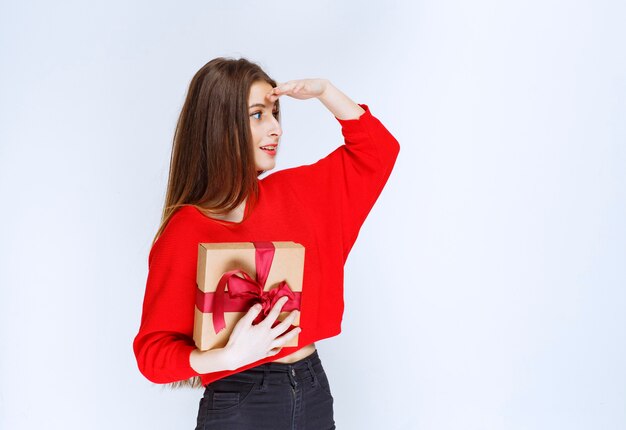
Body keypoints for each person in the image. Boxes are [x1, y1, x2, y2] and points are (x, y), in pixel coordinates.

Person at [132, 57, 400, 429]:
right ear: (220, 126)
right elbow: (153, 354)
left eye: (275, 113)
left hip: (312, 389)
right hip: (238, 400)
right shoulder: (188, 228)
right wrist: (228, 357)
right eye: (257, 115)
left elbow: (378, 152)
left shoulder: (300, 193)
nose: (275, 128)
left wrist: (326, 92)